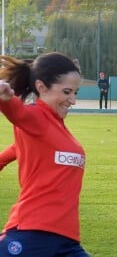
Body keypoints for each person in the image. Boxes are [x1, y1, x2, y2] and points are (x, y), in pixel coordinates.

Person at [0, 52, 90, 257]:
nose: (73, 100)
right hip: (31, 236)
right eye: (67, 92)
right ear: (41, 87)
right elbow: (16, 112)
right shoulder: (36, 118)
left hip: (66, 242)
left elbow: (12, 152)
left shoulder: (55, 130)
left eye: (75, 92)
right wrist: (5, 97)